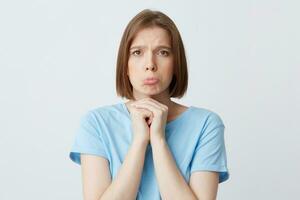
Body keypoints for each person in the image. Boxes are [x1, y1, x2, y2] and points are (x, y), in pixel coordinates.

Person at [69, 9, 229, 200]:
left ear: (176, 63)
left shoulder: (206, 125)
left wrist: (159, 140)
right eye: (137, 52)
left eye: (163, 52)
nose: (150, 64)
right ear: (125, 65)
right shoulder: (96, 123)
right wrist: (139, 141)